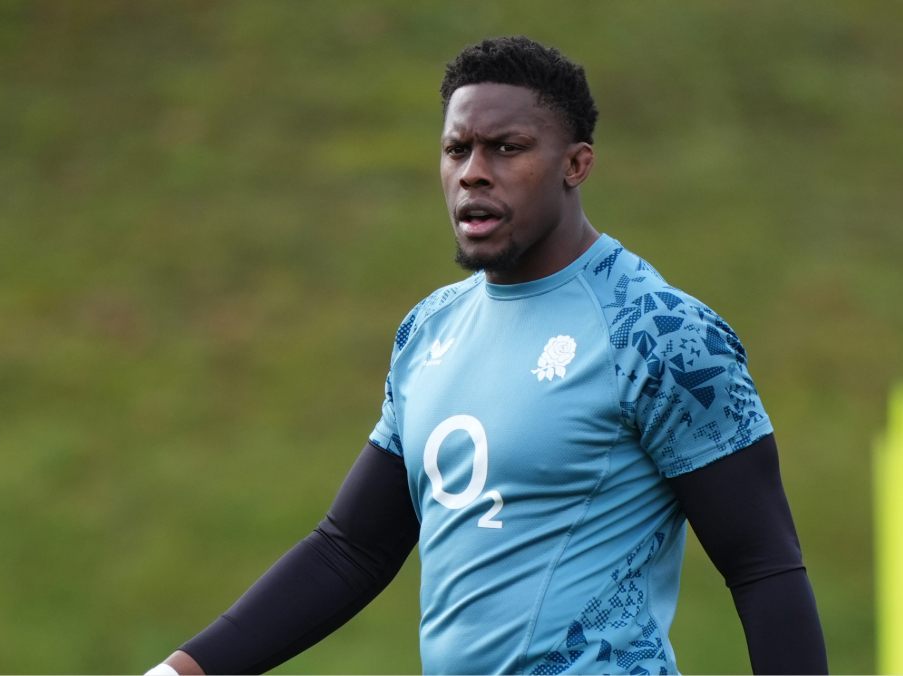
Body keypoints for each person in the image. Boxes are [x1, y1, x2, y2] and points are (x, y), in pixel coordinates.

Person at [147, 36, 827, 675]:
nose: (474, 173)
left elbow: (762, 565)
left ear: (575, 164)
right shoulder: (431, 329)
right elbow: (351, 548)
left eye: (506, 148)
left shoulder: (659, 332)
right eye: (457, 149)